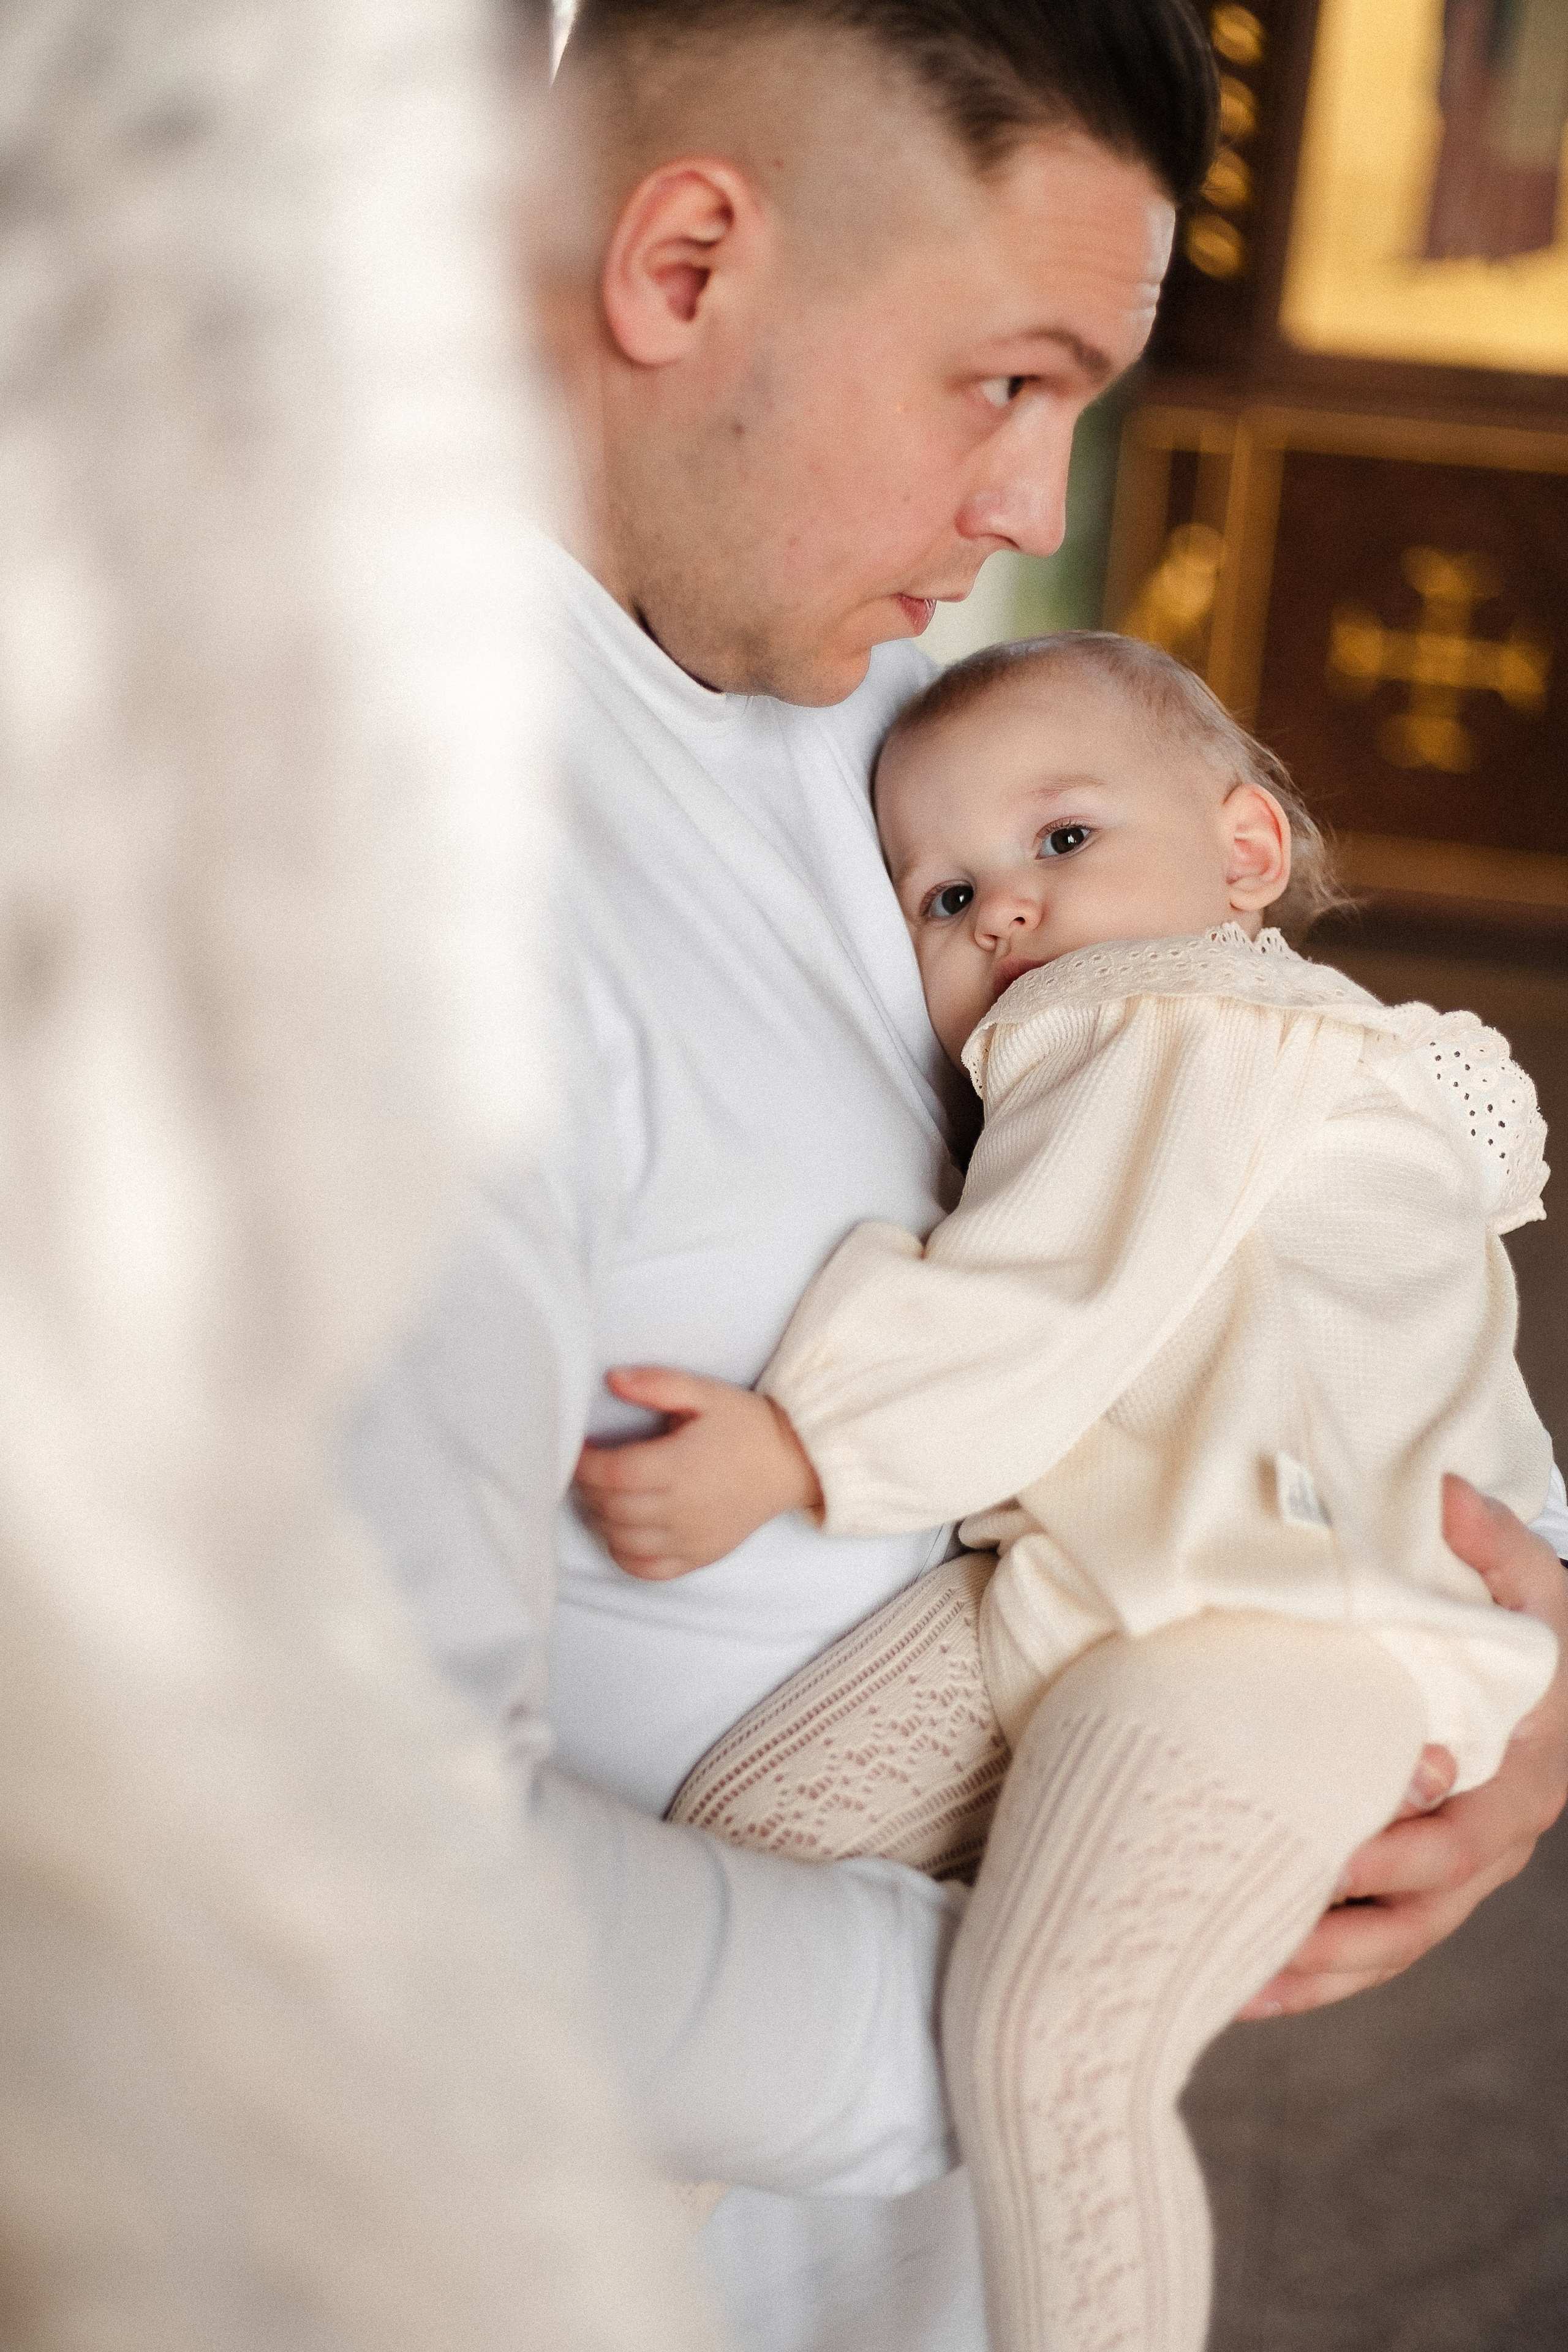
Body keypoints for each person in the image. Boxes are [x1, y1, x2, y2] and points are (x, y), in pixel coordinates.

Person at [349, 7, 1568, 2348]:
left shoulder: (882, 707)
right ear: (687, 260)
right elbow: (336, 1864)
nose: (1033, 509)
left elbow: (1294, 1234)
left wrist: (1505, 1680)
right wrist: (1055, 2000)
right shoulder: (386, 876)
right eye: (1003, 383)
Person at [573, 631, 1559, 2352]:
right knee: (750, 1838)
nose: (1002, 912)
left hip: (1265, 1624)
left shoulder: (1177, 1009)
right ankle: (507, 2258)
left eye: (1063, 842)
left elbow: (1058, 1292)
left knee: (1058, 2050)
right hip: (1107, 1577)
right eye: (941, 898)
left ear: (1242, 855)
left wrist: (804, 1446)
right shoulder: (1295, 1057)